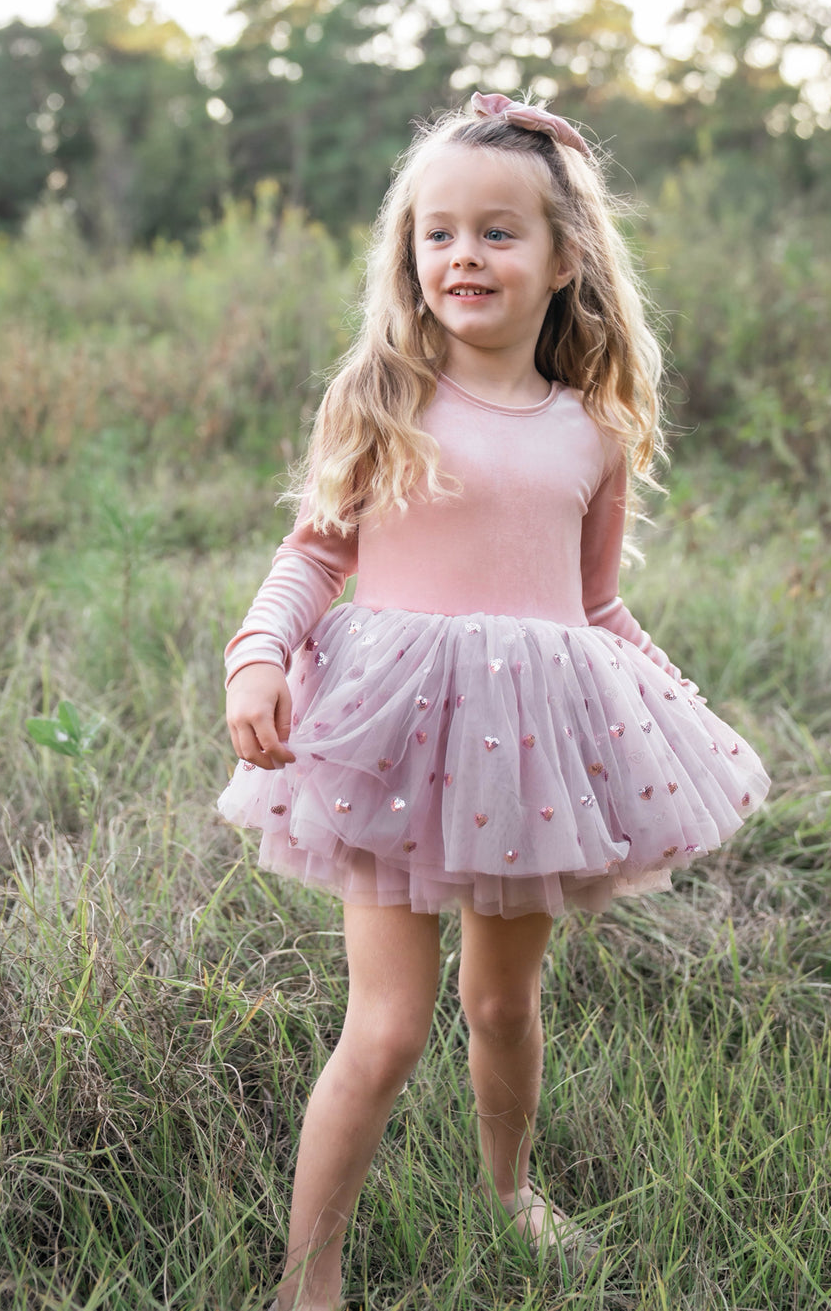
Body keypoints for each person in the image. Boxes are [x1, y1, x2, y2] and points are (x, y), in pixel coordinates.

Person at [219, 91, 771, 1310]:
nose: (464, 254)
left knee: (502, 1001)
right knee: (390, 1026)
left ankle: (509, 1188)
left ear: (566, 256)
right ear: (409, 255)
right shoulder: (381, 396)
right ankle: (307, 1280)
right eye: (439, 232)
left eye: (498, 232)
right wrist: (257, 652)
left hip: (527, 750)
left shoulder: (593, 430)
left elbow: (594, 608)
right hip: (393, 741)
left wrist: (672, 705)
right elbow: (315, 554)